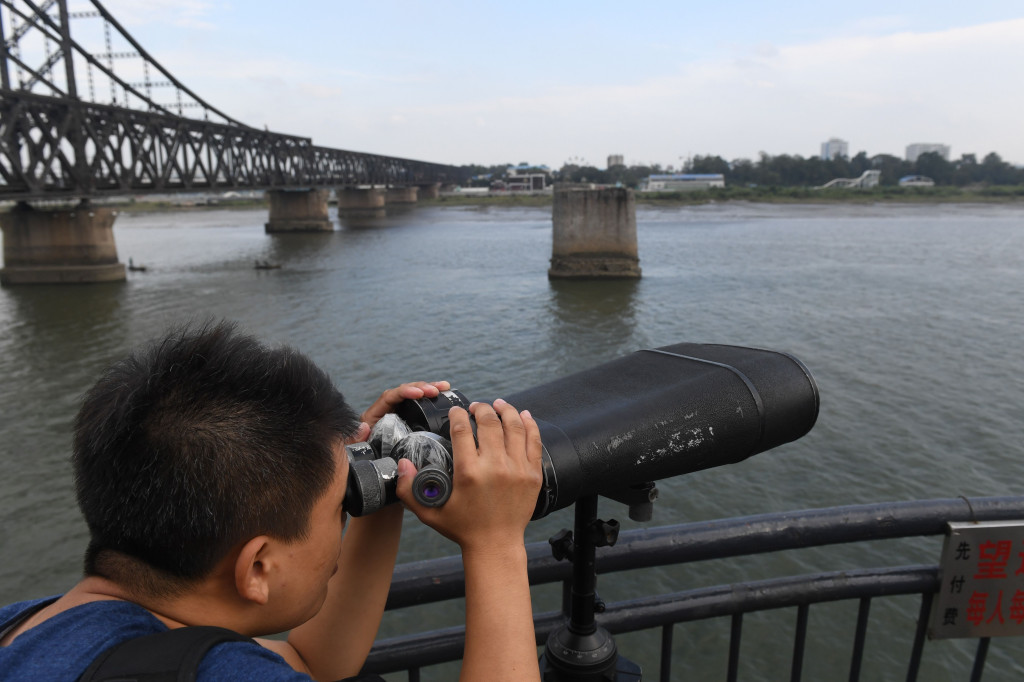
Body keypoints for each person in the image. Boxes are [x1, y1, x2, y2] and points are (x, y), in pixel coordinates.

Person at [0, 321, 544, 681]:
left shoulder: (31, 630)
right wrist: (495, 543)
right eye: (338, 507)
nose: (343, 517)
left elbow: (312, 661)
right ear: (258, 567)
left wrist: (381, 477)